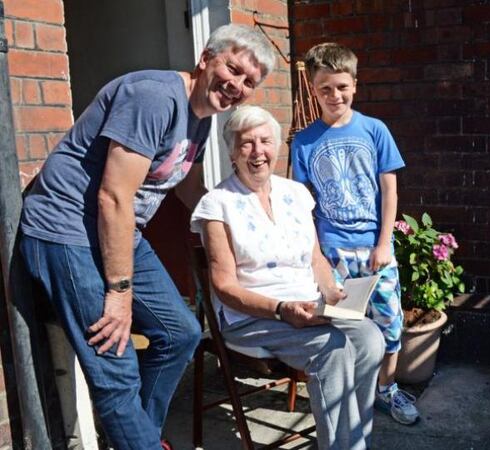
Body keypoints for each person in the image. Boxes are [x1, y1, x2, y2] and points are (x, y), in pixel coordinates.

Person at [18, 24, 274, 449]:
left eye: (249, 82)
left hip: (117, 231)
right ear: (206, 58)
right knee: (114, 365)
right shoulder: (154, 97)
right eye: (233, 69)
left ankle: (139, 438)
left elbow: (189, 187)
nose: (237, 85)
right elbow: (114, 196)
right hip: (66, 230)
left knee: (180, 334)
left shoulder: (201, 119)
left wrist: (239, 227)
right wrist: (119, 293)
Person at [190, 105, 384, 450]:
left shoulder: (295, 194)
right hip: (251, 317)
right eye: (246, 143)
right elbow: (224, 286)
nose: (257, 151)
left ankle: (355, 440)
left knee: (370, 338)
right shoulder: (217, 204)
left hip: (310, 307)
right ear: (232, 152)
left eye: (265, 141)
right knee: (332, 349)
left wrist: (331, 291)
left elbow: (315, 258)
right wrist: (281, 309)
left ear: (277, 146)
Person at [291, 43, 418, 425]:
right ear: (314, 90)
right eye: (326, 88)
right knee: (341, 327)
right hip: (333, 253)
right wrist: (316, 257)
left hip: (375, 251)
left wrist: (384, 243)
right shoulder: (304, 142)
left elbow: (390, 191)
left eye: (342, 87)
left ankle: (387, 389)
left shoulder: (375, 130)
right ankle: (347, 395)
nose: (335, 95)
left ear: (355, 85)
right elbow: (301, 204)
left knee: (389, 323)